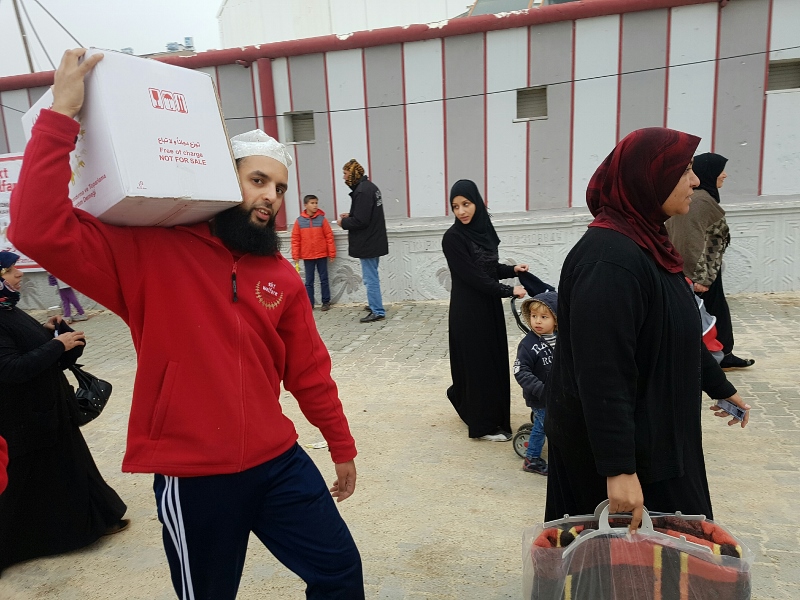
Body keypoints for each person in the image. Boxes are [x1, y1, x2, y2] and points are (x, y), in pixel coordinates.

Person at [10, 50, 363, 599]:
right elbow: (35, 227)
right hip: (195, 477)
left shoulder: (281, 276)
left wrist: (340, 444)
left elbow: (310, 371)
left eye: (280, 188)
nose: (271, 196)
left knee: (339, 570)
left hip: (278, 462)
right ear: (224, 177)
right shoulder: (147, 251)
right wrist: (62, 113)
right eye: (258, 180)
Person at [543, 128, 752, 529]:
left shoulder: (647, 241)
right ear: (648, 176)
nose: (694, 181)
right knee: (616, 572)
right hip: (626, 454)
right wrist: (619, 470)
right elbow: (602, 373)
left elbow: (678, 330)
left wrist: (720, 385)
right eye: (684, 170)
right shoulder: (607, 260)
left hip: (657, 436)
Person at [0, 250, 128, 576]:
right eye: (12, 271)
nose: (19, 276)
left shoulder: (7, 308)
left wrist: (50, 331)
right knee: (22, 487)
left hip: (50, 410)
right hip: (26, 419)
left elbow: (24, 346)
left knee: (73, 467)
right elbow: (11, 368)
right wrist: (58, 345)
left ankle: (100, 519)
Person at [442, 179, 527, 442]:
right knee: (478, 366)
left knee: (493, 363)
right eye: (455, 206)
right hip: (468, 311)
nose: (461, 211)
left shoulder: (484, 231)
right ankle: (483, 425)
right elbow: (473, 277)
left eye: (466, 204)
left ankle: (472, 404)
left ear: (477, 203)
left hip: (487, 308)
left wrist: (511, 271)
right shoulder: (453, 238)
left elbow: (488, 268)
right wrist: (508, 290)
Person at [666, 153, 754, 370]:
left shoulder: (696, 198)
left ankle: (721, 354)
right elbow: (693, 239)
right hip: (701, 270)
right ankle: (718, 357)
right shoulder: (701, 200)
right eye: (720, 170)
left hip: (698, 269)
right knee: (711, 314)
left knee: (711, 312)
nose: (724, 175)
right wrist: (701, 277)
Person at [337, 159, 388, 323]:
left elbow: (362, 221)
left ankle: (377, 311)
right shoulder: (370, 187)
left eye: (345, 174)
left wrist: (343, 223)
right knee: (372, 275)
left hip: (369, 242)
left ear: (352, 174)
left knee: (369, 277)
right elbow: (366, 214)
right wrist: (350, 215)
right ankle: (375, 304)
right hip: (374, 239)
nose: (344, 178)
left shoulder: (362, 191)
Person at [513, 291, 558, 475]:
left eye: (544, 317)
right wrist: (542, 390)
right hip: (540, 397)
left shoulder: (560, 339)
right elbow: (520, 371)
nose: (537, 321)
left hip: (557, 393)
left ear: (555, 320)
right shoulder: (528, 345)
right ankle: (531, 459)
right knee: (544, 426)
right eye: (534, 316)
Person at [291, 194, 336, 311]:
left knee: (324, 279)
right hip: (307, 256)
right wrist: (295, 255)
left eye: (316, 203)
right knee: (309, 281)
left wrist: (332, 253)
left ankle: (326, 302)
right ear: (305, 205)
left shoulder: (322, 219)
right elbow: (295, 239)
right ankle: (309, 303)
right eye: (312, 203)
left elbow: (329, 237)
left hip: (321, 254)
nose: (315, 205)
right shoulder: (299, 221)